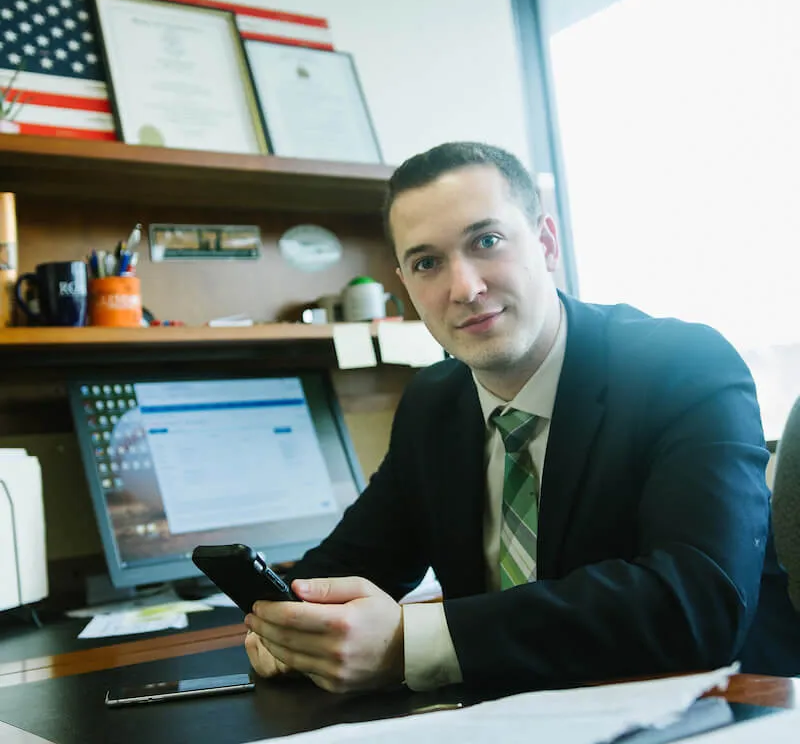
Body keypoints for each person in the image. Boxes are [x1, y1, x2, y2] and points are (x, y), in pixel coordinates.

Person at [244, 141, 798, 694]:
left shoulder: (681, 367)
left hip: (721, 706)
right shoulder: (434, 402)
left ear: (546, 242)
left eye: (487, 241)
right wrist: (291, 630)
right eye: (427, 263)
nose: (464, 288)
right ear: (406, 285)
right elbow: (348, 566)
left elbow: (697, 606)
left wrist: (411, 643)